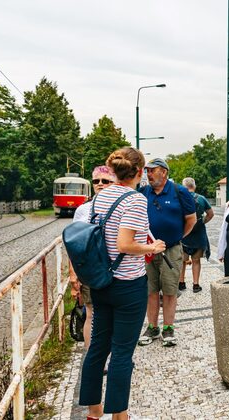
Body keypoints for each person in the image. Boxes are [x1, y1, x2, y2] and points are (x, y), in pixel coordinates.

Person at [79, 147, 166, 420]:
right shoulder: (135, 200)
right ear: (139, 172)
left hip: (101, 282)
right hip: (128, 285)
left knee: (98, 347)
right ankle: (120, 415)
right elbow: (125, 244)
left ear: (113, 171)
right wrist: (152, 247)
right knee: (122, 352)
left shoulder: (98, 200)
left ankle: (94, 411)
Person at [138, 158, 196, 347]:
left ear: (164, 172)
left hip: (171, 249)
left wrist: (176, 237)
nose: (148, 174)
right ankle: (152, 327)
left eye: (152, 171)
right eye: (147, 171)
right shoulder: (143, 192)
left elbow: (191, 220)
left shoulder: (180, 192)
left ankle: (168, 328)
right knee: (151, 290)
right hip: (147, 250)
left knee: (170, 290)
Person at [69, 165, 117, 351]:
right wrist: (73, 274)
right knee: (92, 314)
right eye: (96, 181)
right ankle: (93, 356)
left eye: (106, 181)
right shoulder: (83, 210)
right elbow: (74, 244)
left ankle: (112, 354)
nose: (100, 184)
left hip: (115, 268)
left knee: (113, 314)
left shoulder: (121, 205)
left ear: (115, 183)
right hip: (92, 270)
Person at [178, 177, 214, 293]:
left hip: (183, 232)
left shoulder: (179, 198)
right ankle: (196, 284)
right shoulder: (202, 199)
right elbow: (210, 214)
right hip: (198, 232)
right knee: (196, 260)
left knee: (182, 260)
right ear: (194, 186)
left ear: (184, 187)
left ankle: (181, 283)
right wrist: (203, 221)